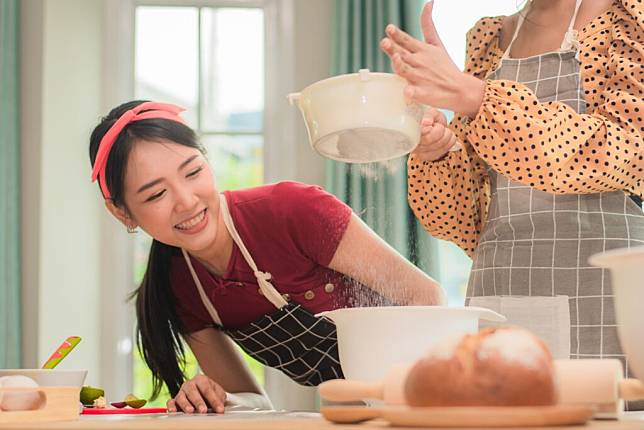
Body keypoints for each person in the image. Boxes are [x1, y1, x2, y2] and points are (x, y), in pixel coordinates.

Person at [88, 100, 445, 413]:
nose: (186, 201)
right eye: (155, 195)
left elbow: (426, 296)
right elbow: (252, 402)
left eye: (193, 172)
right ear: (122, 213)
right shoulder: (181, 285)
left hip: (427, 395)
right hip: (348, 414)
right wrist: (214, 398)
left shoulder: (293, 211)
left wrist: (403, 407)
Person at [381, 0, 643, 408]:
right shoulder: (489, 38)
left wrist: (478, 97)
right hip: (502, 286)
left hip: (608, 294)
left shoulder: (628, 18)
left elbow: (626, 152)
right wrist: (440, 152)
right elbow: (466, 221)